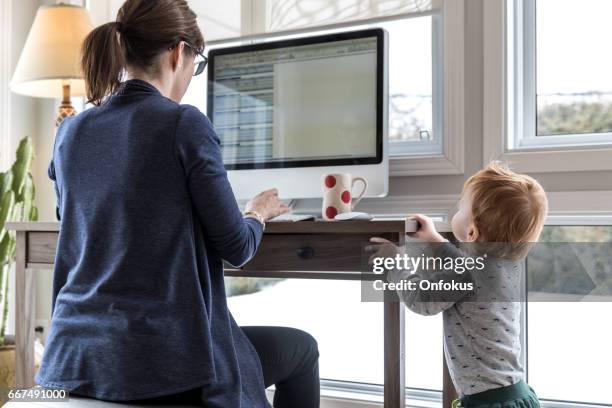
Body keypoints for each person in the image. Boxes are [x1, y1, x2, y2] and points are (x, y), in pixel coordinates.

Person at [35, 1, 320, 407]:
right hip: (158, 364)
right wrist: (257, 213)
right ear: (178, 52)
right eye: (196, 63)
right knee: (302, 349)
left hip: (73, 360)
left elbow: (79, 220)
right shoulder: (183, 122)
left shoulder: (71, 130)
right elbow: (237, 248)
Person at [369, 161, 548, 408]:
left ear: (472, 232)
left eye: (461, 206)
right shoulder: (507, 265)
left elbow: (420, 300)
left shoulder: (468, 274)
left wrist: (396, 263)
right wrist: (434, 240)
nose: (458, 207)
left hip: (485, 403)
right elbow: (467, 269)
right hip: (518, 396)